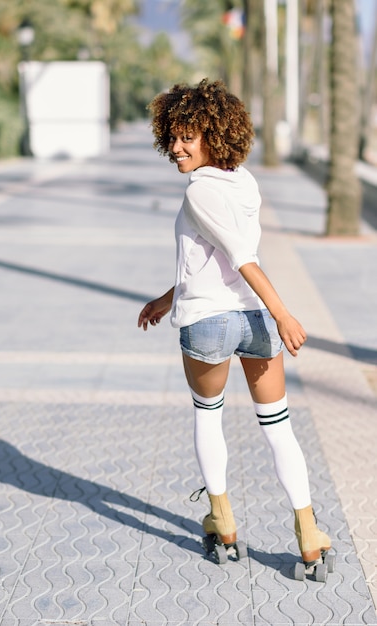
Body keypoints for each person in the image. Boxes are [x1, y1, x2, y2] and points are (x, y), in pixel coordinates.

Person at [137, 78, 331, 569]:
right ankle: (309, 531)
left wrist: (286, 313)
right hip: (252, 319)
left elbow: (242, 258)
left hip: (209, 322)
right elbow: (207, 260)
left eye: (189, 137)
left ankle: (223, 524)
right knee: (278, 427)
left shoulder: (201, 191)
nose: (177, 148)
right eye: (173, 137)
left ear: (212, 135)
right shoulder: (243, 180)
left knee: (209, 416)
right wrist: (164, 298)